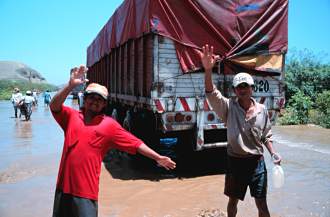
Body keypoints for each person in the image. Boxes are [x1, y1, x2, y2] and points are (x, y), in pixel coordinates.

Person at [50, 65, 176, 217]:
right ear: (85, 98)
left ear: (104, 104)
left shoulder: (109, 125)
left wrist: (158, 157)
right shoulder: (71, 117)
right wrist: (70, 86)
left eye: (99, 99)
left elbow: (135, 143)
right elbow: (54, 106)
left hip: (85, 193)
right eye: (91, 97)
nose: (95, 101)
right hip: (62, 190)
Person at [201, 45, 282, 217]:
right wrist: (208, 70)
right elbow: (211, 93)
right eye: (239, 87)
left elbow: (266, 135)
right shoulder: (228, 107)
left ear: (252, 88)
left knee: (262, 205)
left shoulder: (262, 110)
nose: (242, 89)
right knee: (233, 202)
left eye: (246, 86)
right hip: (235, 162)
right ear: (235, 90)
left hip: (257, 163)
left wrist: (274, 153)